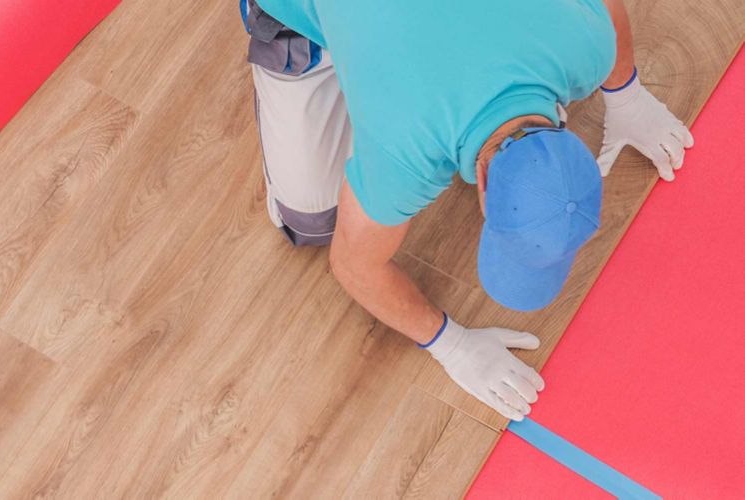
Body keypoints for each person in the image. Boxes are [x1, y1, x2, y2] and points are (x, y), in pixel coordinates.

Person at [241, 0, 693, 421]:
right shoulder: (404, 156)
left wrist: (628, 96)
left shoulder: (583, 43)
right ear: (480, 178)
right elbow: (353, 264)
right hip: (300, 20)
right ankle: (306, 47)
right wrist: (451, 344)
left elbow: (605, 12)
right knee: (313, 221)